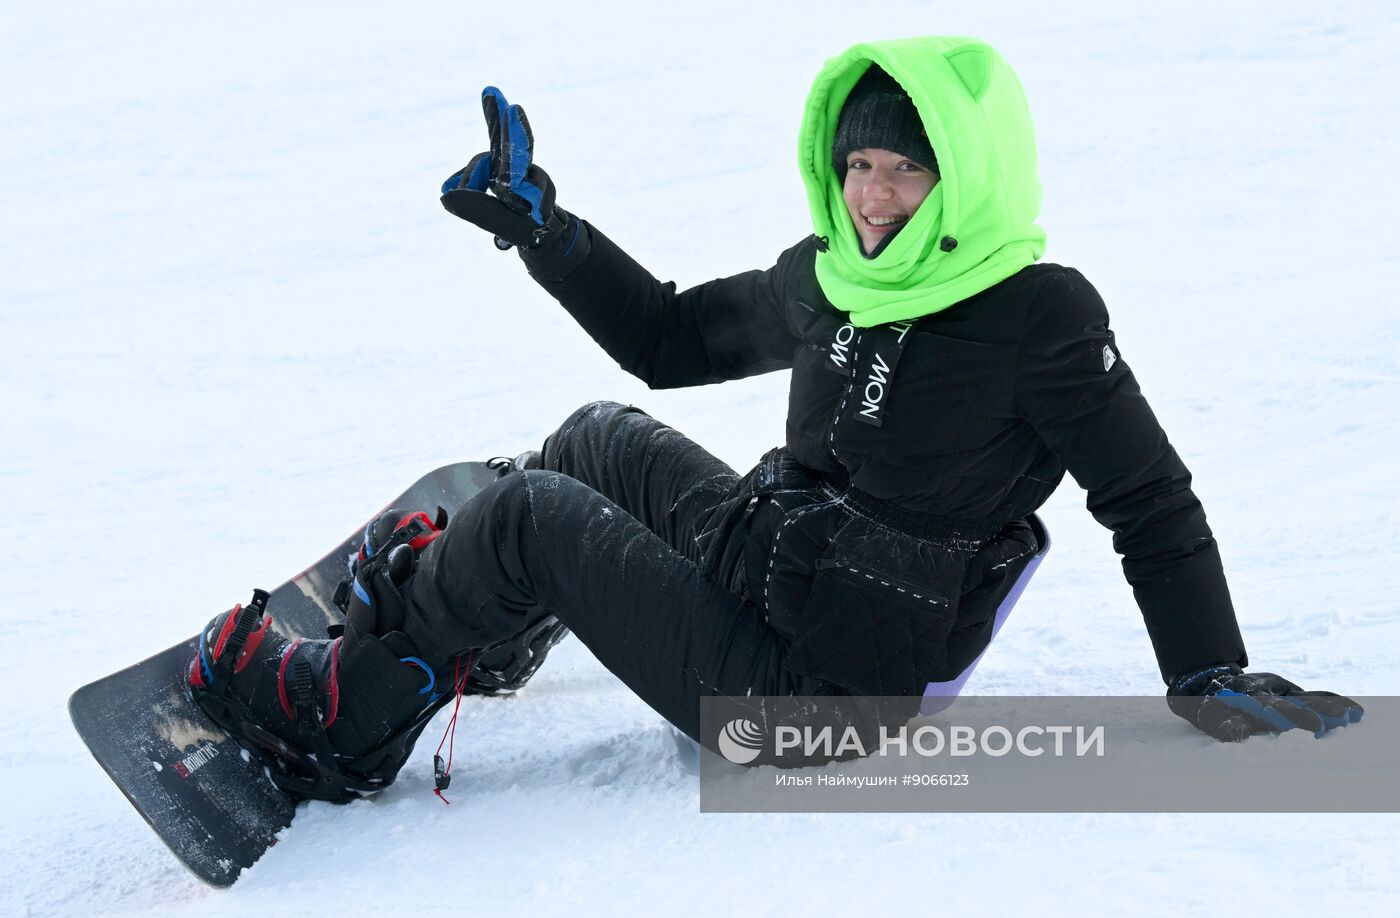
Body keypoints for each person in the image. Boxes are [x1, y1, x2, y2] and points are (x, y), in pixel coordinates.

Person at [189, 36, 1362, 801]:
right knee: (595, 436)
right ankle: (477, 631)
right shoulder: (834, 276)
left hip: (814, 706)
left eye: (905, 170)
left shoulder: (1036, 315)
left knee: (533, 513)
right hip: (770, 570)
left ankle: (348, 716)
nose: (872, 197)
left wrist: (1204, 668)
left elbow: (1147, 498)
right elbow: (670, 340)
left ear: (965, 176)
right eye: (857, 165)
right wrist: (549, 236)